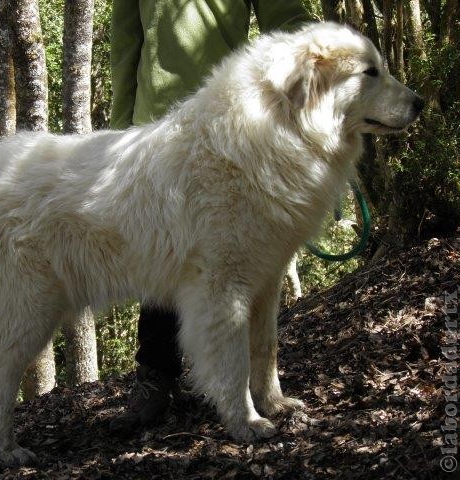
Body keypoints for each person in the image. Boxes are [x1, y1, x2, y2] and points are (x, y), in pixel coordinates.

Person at [109, 0, 313, 432]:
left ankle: (263, 383)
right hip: (155, 129)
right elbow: (127, 45)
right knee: (164, 256)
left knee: (248, 267)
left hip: (234, 128)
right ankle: (155, 378)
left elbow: (289, 20)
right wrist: (118, 135)